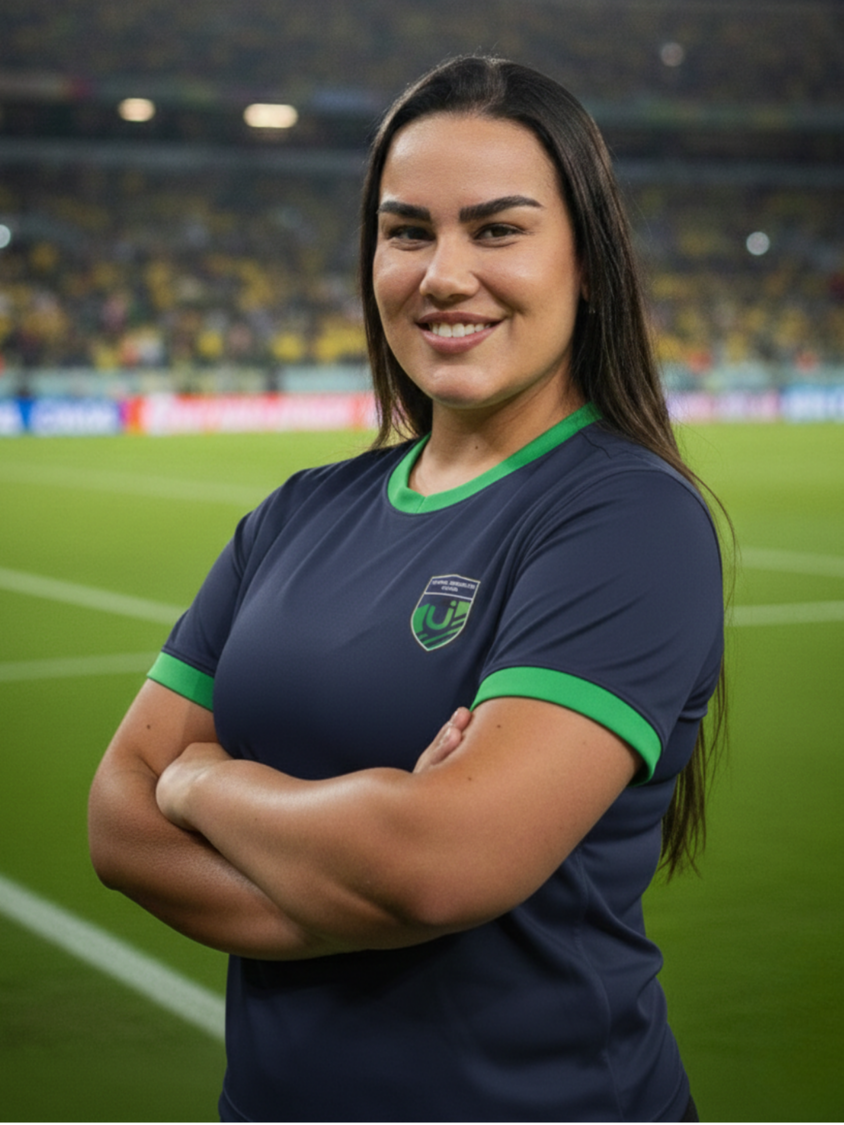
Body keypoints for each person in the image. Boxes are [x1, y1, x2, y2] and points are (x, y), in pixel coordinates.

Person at [88, 55, 726, 1123]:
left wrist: (202, 787)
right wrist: (365, 872)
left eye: (498, 229)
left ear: (587, 261)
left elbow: (439, 865)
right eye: (408, 232)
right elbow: (118, 821)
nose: (443, 274)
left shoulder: (629, 520)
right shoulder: (296, 511)